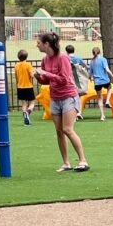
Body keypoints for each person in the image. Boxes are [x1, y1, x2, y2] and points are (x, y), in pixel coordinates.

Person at [35, 32, 89, 172]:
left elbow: (64, 79)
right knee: (59, 131)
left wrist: (46, 73)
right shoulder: (45, 59)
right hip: (55, 97)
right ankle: (66, 163)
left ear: (47, 44)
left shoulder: (63, 57)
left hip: (68, 96)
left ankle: (83, 161)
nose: (37, 45)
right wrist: (38, 76)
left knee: (67, 129)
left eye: (39, 43)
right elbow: (47, 81)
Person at [89, 46, 113, 121]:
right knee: (110, 88)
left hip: (97, 82)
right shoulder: (103, 59)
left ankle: (102, 115)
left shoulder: (92, 61)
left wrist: (90, 78)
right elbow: (107, 70)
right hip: (105, 80)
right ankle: (107, 101)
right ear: (99, 52)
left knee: (100, 98)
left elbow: (90, 73)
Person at [65, 45, 90, 119]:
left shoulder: (66, 58)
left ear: (66, 51)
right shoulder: (78, 58)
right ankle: (78, 112)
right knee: (78, 97)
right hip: (78, 79)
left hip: (69, 79)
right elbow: (86, 66)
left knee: (71, 97)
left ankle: (73, 113)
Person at [14, 50, 37, 125]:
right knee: (32, 103)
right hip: (28, 86)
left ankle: (25, 119)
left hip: (20, 87)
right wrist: (34, 72)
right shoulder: (28, 65)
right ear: (26, 57)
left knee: (24, 104)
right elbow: (32, 75)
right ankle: (28, 113)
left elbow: (16, 77)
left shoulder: (16, 65)